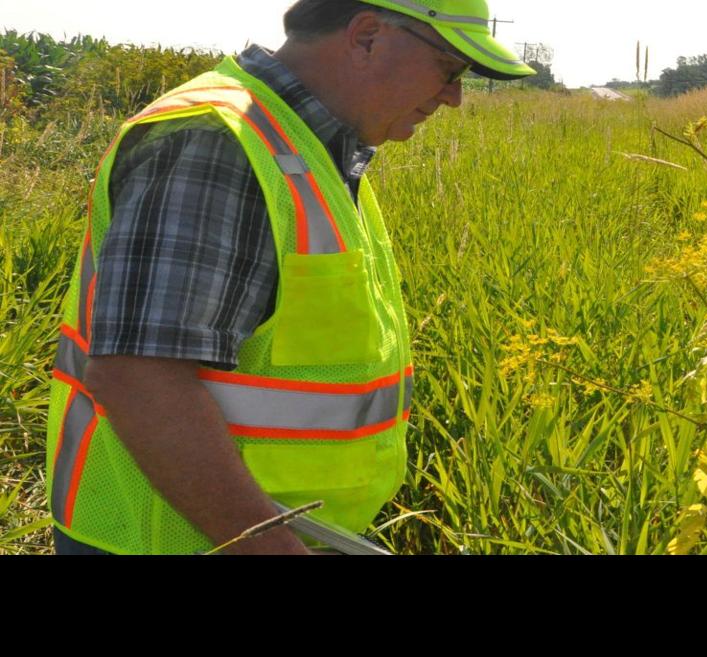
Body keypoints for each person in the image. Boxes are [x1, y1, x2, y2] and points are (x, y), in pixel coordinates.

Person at [45, 0, 534, 555]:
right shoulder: (216, 140)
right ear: (368, 35)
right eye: (450, 68)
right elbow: (140, 377)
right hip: (176, 540)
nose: (455, 96)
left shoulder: (310, 148)